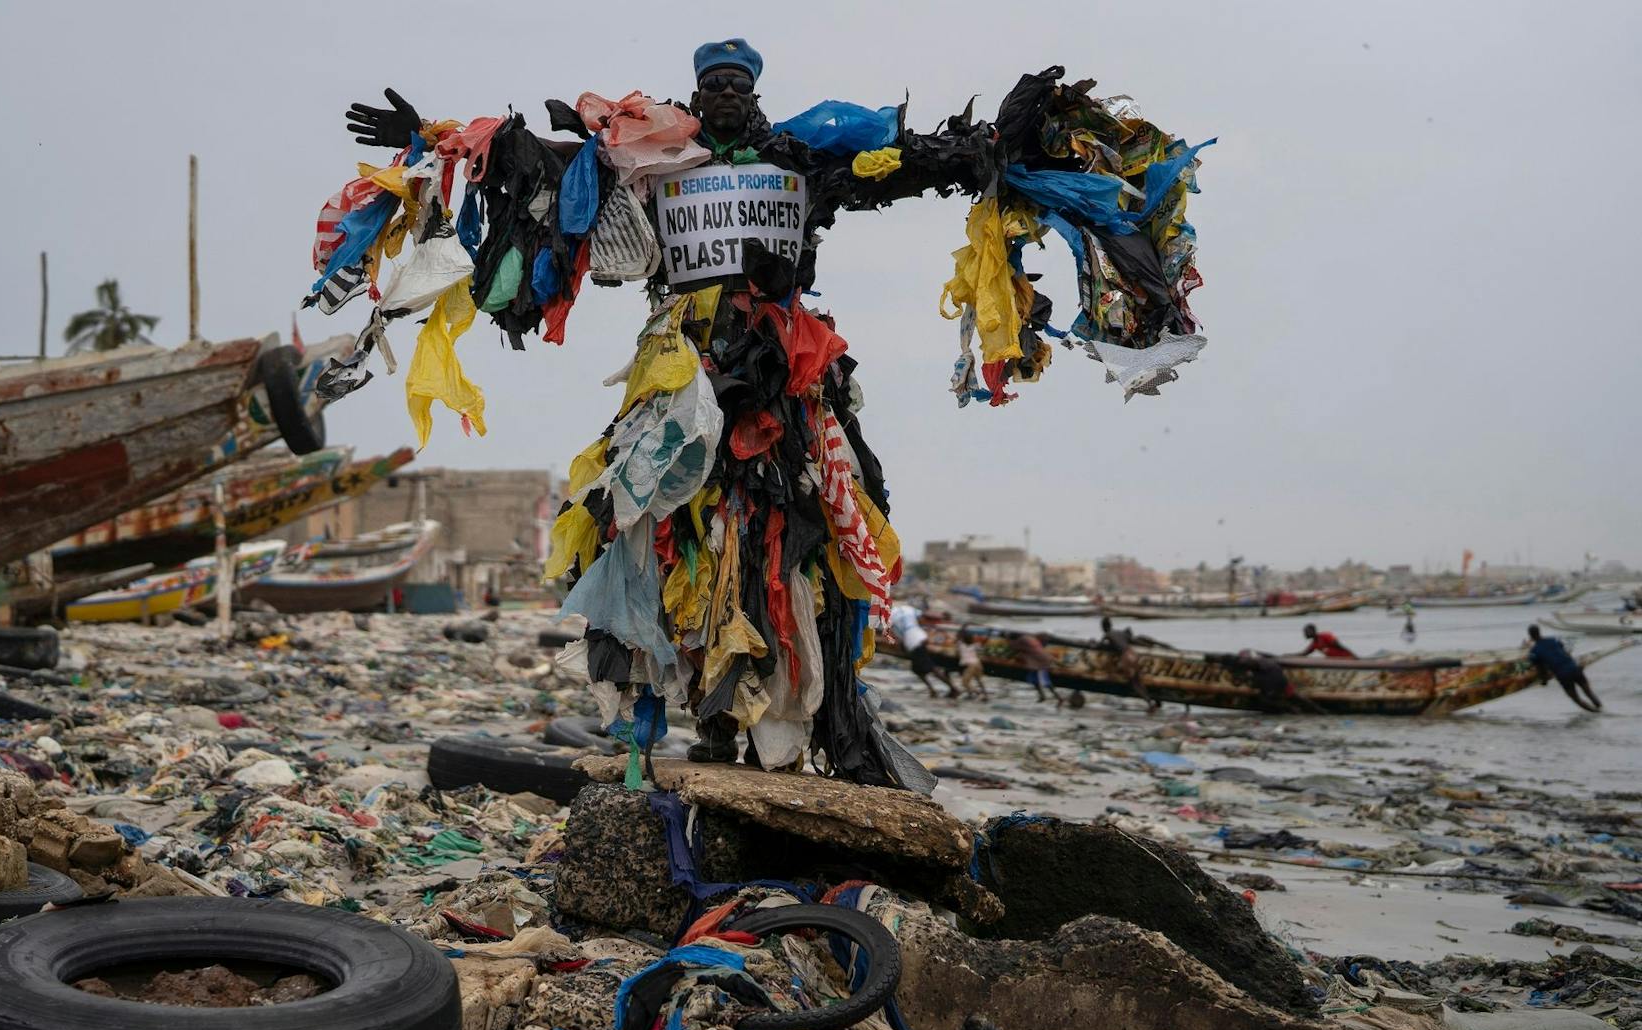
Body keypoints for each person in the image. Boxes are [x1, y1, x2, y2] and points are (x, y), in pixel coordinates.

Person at [325, 44, 1206, 783]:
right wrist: (438, 141)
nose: (726, 97)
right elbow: (535, 169)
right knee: (657, 534)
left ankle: (804, 718)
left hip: (787, 376)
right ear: (694, 93)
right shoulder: (647, 160)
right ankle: (703, 723)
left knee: (803, 533)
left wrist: (987, 146)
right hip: (679, 377)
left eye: (740, 85)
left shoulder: (801, 162)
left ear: (757, 94)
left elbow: (906, 165)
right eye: (713, 85)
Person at [1527, 624, 1603, 712]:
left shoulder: (1534, 651)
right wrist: (1576, 665)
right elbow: (1566, 653)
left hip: (1563, 675)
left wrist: (1544, 681)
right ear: (1539, 632)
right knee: (1589, 692)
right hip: (1574, 668)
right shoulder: (1554, 640)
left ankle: (1598, 713)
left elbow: (1541, 669)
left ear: (1530, 636)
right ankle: (1601, 708)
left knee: (1576, 699)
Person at [890, 599, 958, 699]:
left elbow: (895, 635)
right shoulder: (908, 612)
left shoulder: (896, 616)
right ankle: (933, 690)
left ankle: (953, 688)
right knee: (918, 670)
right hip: (918, 642)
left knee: (931, 669)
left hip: (915, 644)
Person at [1099, 616, 1161, 711]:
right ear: (1111, 625)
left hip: (1126, 657)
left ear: (1103, 627)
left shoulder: (1108, 635)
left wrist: (1093, 643)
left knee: (1134, 683)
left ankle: (1149, 704)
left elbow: (1099, 646)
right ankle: (1152, 701)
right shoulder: (1120, 632)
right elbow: (1133, 640)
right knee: (1138, 680)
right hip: (1133, 654)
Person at [1011, 632, 1063, 705]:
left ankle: (1058, 697)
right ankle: (1042, 696)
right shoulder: (1029, 639)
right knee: (1034, 680)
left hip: (1041, 663)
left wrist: (1010, 642)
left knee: (1045, 681)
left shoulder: (1023, 640)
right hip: (1035, 664)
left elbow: (1015, 648)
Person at [957, 631, 988, 701]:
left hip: (971, 665)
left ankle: (979, 693)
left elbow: (959, 635)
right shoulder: (976, 645)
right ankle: (984, 694)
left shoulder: (961, 644)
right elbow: (983, 648)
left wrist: (964, 626)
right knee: (979, 680)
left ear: (963, 639)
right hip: (978, 663)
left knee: (965, 683)